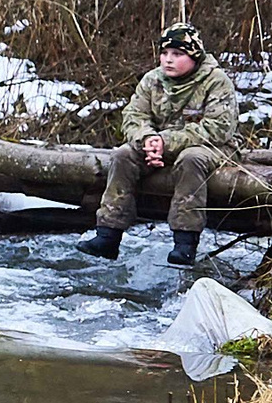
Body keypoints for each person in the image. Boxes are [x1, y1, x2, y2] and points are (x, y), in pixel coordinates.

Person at [78, 23, 240, 266]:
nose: (168, 60)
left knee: (191, 159)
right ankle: (107, 236)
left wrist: (166, 142)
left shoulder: (216, 81)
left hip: (212, 147)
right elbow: (133, 116)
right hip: (158, 145)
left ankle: (185, 243)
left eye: (177, 54)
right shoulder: (152, 80)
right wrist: (147, 140)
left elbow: (217, 129)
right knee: (123, 155)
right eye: (164, 53)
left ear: (194, 56)